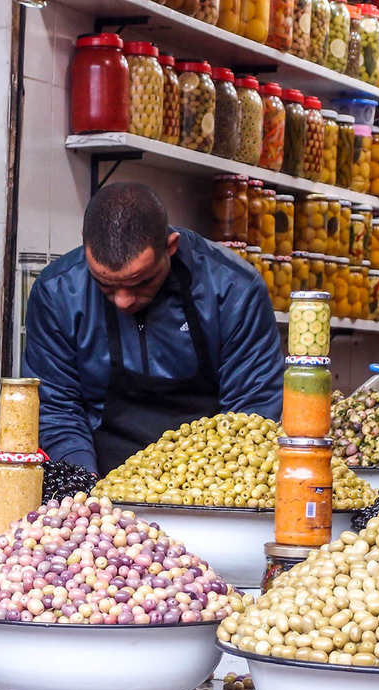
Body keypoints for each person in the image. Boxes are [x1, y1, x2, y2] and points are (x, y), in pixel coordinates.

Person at [22, 182, 283, 476]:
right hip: (98, 482)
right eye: (106, 284)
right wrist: (84, 489)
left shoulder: (233, 290)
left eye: (140, 282)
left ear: (170, 247)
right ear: (85, 246)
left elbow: (252, 411)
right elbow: (57, 409)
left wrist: (206, 487)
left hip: (210, 483)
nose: (123, 301)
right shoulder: (57, 293)